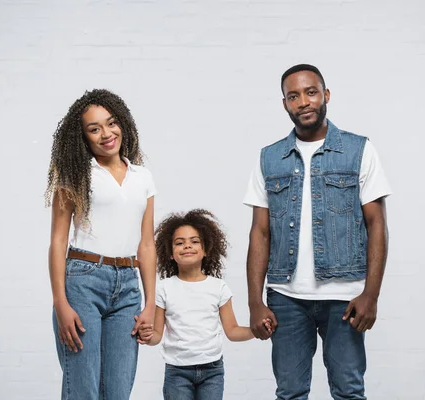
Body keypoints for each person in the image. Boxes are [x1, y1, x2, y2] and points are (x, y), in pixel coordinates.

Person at [244, 64, 392, 400]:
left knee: (349, 391)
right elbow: (260, 233)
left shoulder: (359, 150)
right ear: (285, 104)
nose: (303, 102)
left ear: (325, 95)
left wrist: (371, 294)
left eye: (311, 92)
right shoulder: (270, 158)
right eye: (293, 96)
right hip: (286, 297)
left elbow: (377, 224)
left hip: (345, 297)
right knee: (290, 392)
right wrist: (255, 300)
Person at [45, 89, 157, 399]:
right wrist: (60, 302)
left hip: (128, 289)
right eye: (94, 128)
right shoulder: (76, 175)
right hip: (83, 282)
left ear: (123, 124)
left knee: (118, 392)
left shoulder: (143, 177)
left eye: (111, 124)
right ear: (83, 137)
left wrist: (150, 304)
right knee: (84, 390)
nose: (106, 134)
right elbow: (57, 241)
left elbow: (147, 244)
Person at [137, 209, 268, 400]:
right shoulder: (164, 288)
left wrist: (257, 330)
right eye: (179, 243)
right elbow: (157, 335)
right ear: (170, 253)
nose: (187, 246)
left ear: (206, 250)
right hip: (177, 372)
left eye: (194, 241)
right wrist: (148, 336)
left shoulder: (218, 288)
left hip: (212, 371)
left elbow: (232, 331)